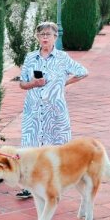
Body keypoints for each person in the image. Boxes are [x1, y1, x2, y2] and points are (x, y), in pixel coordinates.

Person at [15, 20, 88, 198]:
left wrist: (63, 83)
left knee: (57, 146)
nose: (45, 37)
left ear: (55, 37)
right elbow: (22, 84)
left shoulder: (63, 58)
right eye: (41, 34)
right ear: (37, 37)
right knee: (30, 146)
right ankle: (28, 186)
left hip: (55, 111)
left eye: (48, 34)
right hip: (33, 110)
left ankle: (55, 183)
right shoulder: (30, 57)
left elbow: (83, 72)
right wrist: (33, 83)